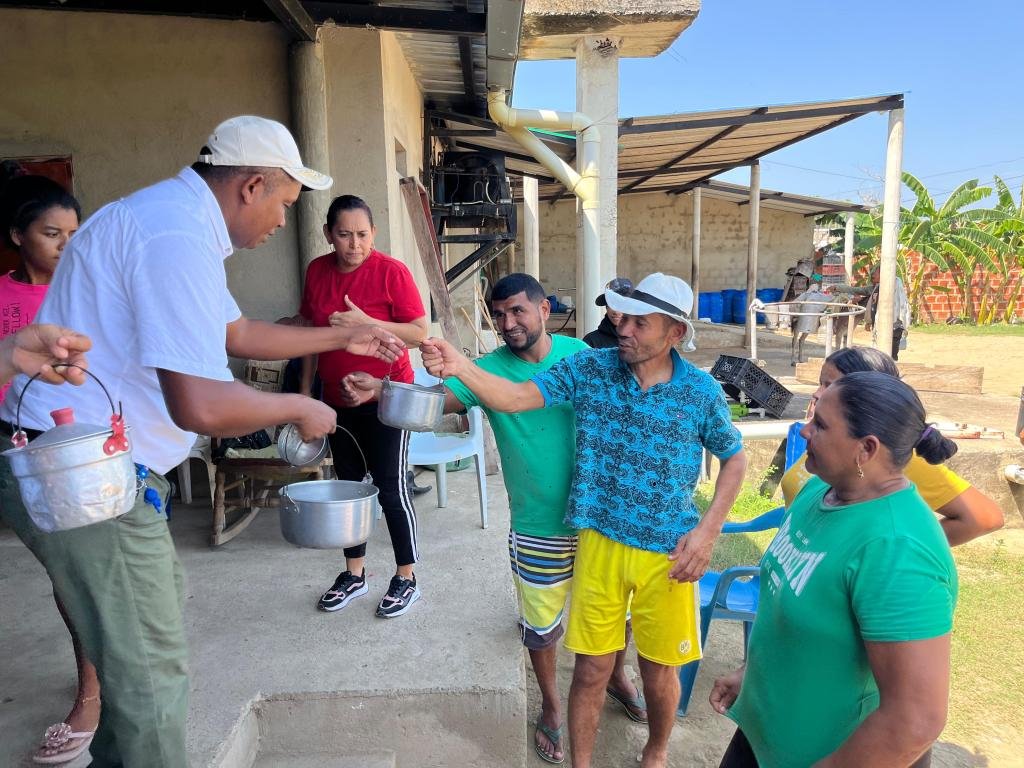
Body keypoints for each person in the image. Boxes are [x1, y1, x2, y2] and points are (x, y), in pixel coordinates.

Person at [0, 115, 404, 768]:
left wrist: (337, 336)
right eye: (283, 202)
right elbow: (201, 405)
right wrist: (302, 406)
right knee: (149, 675)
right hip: (91, 472)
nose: (281, 220)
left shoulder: (169, 218)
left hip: (89, 462)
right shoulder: (174, 235)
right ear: (251, 185)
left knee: (133, 658)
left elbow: (237, 333)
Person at [420, 272, 748, 768]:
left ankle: (656, 753)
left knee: (660, 671)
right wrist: (461, 364)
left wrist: (707, 531)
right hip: (597, 542)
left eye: (640, 322)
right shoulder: (589, 369)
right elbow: (512, 398)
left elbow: (736, 458)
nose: (624, 329)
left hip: (669, 554)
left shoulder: (700, 393)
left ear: (675, 333)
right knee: (591, 670)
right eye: (623, 317)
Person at [340, 273, 647, 764]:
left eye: (518, 311)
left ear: (544, 309)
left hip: (599, 519)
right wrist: (382, 390)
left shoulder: (583, 359)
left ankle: (617, 675)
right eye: (499, 314)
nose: (508, 323)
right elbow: (436, 403)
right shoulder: (484, 370)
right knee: (541, 625)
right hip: (536, 522)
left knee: (618, 617)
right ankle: (550, 705)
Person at [712, 372, 959, 767]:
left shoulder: (897, 550)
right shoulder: (818, 492)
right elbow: (793, 605)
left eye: (821, 425)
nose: (805, 430)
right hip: (768, 736)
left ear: (866, 449)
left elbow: (915, 719)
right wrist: (752, 674)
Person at [0, 170, 100, 765]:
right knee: (66, 572)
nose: (66, 245)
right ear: (18, 235)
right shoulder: (2, 298)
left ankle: (90, 692)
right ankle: (97, 675)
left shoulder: (87, 294)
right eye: (51, 232)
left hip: (83, 448)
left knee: (79, 573)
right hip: (21, 451)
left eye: (73, 233)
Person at [299, 194, 428, 618]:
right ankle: (355, 573)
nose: (354, 244)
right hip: (338, 401)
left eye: (362, 235)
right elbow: (310, 339)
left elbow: (417, 331)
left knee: (391, 490)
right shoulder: (317, 271)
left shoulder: (391, 272)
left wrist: (366, 324)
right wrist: (305, 397)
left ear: (373, 233)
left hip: (389, 399)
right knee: (349, 489)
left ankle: (406, 576)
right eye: (344, 235)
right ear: (328, 235)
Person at [783, 346, 1003, 546]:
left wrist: (885, 549)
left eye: (831, 385)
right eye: (820, 383)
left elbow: (984, 517)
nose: (818, 393)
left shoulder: (890, 457)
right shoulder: (826, 437)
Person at [582, 276, 632, 348]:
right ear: (606, 307)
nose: (616, 311)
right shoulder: (591, 341)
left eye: (621, 304)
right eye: (611, 304)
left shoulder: (642, 340)